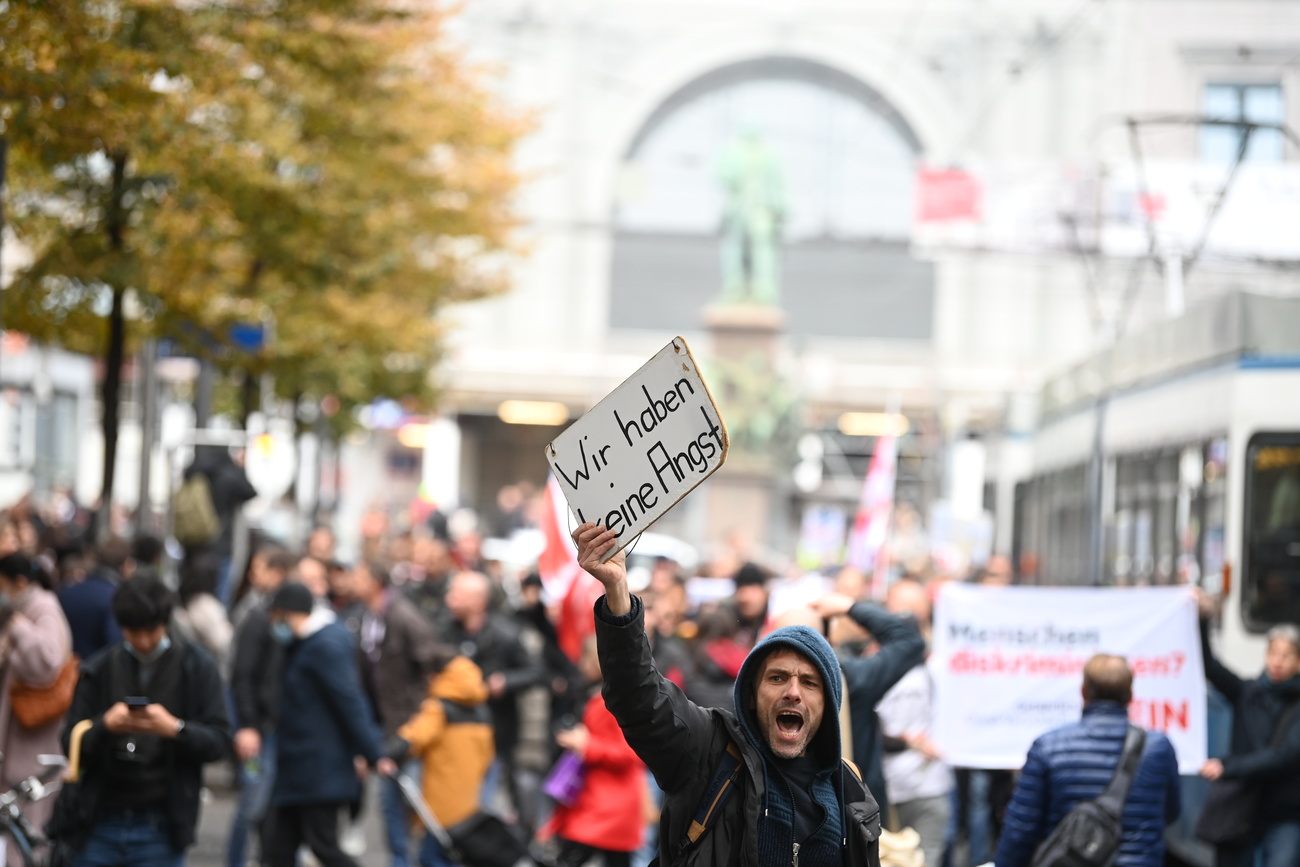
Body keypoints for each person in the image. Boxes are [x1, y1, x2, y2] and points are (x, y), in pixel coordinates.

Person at [572, 522, 882, 867]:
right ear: (751, 694)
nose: (793, 692)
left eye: (810, 683)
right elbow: (638, 696)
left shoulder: (850, 792)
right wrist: (617, 593)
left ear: (828, 704)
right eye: (777, 678)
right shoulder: (710, 751)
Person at [59, 575, 232, 867]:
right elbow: (70, 742)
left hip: (162, 824)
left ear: (166, 623)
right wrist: (105, 726)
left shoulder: (197, 667)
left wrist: (176, 729)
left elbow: (220, 741)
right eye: (132, 632)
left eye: (151, 631)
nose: (143, 641)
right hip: (99, 820)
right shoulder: (99, 669)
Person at [994, 655, 1181, 867]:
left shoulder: (1048, 746)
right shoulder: (1157, 747)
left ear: (1083, 691)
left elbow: (1021, 828)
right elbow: (1171, 812)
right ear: (1130, 695)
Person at [264, 582, 392, 867]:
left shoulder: (324, 646)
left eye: (276, 616)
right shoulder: (305, 643)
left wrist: (374, 753)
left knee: (324, 848)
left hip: (317, 770)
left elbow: (350, 702)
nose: (273, 624)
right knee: (278, 850)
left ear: (290, 614)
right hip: (300, 768)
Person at [1197, 591, 1300, 867]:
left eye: (1286, 655)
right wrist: (1202, 619)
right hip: (1240, 809)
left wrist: (1227, 767)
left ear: (1298, 662)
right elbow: (1209, 665)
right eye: (1273, 653)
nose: (1277, 662)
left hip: (1284, 814)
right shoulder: (1247, 692)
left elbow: (1283, 755)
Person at [352, 561, 443, 867]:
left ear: (375, 581)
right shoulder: (367, 617)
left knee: (412, 801)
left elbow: (431, 659)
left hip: (409, 725)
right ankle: (399, 860)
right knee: (389, 801)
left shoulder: (403, 616)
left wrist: (423, 709)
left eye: (359, 575)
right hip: (384, 724)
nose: (353, 580)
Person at [807, 589, 925, 823]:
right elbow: (909, 641)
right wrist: (849, 606)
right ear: (828, 640)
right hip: (855, 812)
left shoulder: (756, 687)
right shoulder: (849, 680)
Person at [440, 570, 546, 816]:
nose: (450, 600)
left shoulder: (506, 633)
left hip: (494, 733)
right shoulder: (444, 628)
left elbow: (537, 671)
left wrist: (506, 681)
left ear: (478, 602)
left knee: (479, 804)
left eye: (457, 595)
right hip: (452, 730)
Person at [0, 552, 74, 865]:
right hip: (17, 747)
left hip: (33, 751)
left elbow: (47, 662)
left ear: (18, 582)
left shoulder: (42, 607)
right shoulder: (25, 607)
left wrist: (15, 627)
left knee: (26, 835)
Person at [390, 648, 495, 867]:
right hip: (469, 802)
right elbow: (488, 757)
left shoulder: (438, 708)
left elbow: (415, 736)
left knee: (430, 857)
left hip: (439, 807)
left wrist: (386, 753)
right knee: (455, 855)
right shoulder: (483, 711)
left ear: (437, 675)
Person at [548, 636, 647, 867]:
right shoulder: (602, 695)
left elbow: (630, 753)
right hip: (601, 801)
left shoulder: (614, 701)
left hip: (607, 803)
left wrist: (585, 744)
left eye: (586, 658)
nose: (581, 664)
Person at [874, 579, 951, 867]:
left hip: (927, 786)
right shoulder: (874, 674)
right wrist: (910, 741)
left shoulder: (936, 670)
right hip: (888, 790)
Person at [227, 550, 294, 867]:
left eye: (260, 568)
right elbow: (243, 677)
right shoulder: (257, 617)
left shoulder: (281, 618)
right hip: (260, 732)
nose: (255, 575)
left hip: (277, 730)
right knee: (252, 805)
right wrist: (248, 725)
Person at [182, 444, 257, 608]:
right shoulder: (228, 474)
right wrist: (240, 468)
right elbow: (250, 492)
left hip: (192, 547)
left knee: (192, 598)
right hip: (220, 546)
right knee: (219, 600)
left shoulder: (193, 473)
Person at [59, 537, 131, 660]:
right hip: (97, 673)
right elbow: (115, 644)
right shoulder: (116, 598)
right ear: (125, 565)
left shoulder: (66, 592)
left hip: (63, 670)